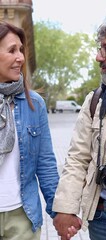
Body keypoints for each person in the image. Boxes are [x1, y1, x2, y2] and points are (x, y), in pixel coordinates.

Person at [52, 16, 106, 240]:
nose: (99, 57)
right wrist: (66, 208)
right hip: (104, 219)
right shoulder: (95, 101)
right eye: (100, 49)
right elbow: (78, 159)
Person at [0, 21, 59, 239]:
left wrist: (59, 212)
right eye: (12, 50)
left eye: (21, 50)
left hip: (22, 216)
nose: (21, 58)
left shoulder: (34, 103)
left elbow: (45, 163)